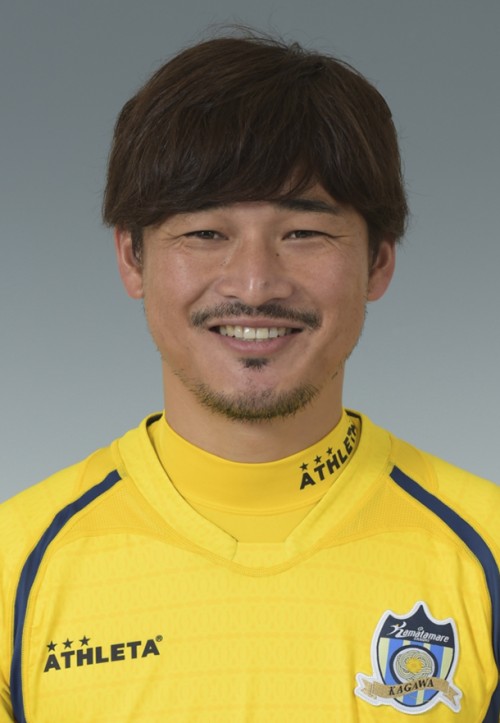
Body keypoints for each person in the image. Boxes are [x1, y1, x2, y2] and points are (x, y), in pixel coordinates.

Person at [0, 30, 498, 723]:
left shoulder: (486, 550)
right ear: (132, 259)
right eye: (206, 233)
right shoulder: (16, 563)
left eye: (304, 233)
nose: (255, 282)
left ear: (379, 262)